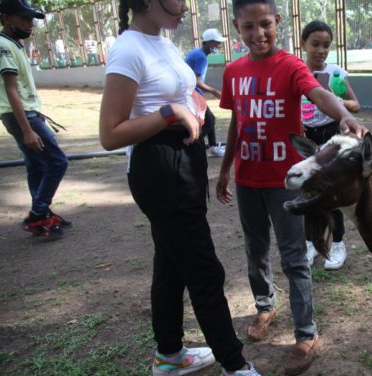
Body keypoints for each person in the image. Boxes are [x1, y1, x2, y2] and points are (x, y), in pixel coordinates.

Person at [98, 0, 260, 374]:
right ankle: (235, 364)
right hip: (160, 170)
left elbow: (178, 92)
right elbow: (110, 134)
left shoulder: (163, 41)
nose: (185, 6)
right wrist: (170, 113)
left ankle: (169, 355)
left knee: (171, 265)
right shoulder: (128, 49)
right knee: (204, 270)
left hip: (183, 165)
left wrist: (193, 105)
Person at [215, 1, 367, 374]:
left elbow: (319, 94)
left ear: (278, 22)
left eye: (265, 24)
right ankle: (265, 306)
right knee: (255, 251)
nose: (258, 34)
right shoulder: (233, 70)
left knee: (294, 257)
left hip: (284, 182)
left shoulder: (292, 66)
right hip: (247, 178)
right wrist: (224, 170)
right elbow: (238, 121)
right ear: (237, 27)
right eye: (248, 27)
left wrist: (345, 115)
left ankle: (306, 334)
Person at [0, 0, 71, 239]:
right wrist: (27, 129)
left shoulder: (13, 45)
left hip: (23, 114)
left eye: (30, 19)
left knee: (37, 165)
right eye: (23, 18)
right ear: (5, 18)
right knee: (57, 162)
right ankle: (37, 214)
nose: (29, 24)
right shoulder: (4, 47)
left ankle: (42, 214)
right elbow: (11, 89)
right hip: (22, 116)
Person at [300, 20, 361, 270]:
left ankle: (337, 245)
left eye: (326, 45)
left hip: (331, 135)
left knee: (333, 191)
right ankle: (310, 243)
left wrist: (339, 102)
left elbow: (356, 105)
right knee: (307, 190)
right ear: (303, 44)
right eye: (315, 44)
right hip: (304, 137)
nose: (321, 50)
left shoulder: (336, 72)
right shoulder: (296, 72)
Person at [185, 28, 226, 157]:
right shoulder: (201, 57)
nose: (219, 46)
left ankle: (212, 146)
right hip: (192, 93)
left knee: (210, 119)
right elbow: (196, 80)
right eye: (216, 43)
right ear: (208, 43)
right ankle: (192, 145)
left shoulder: (197, 53)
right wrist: (214, 91)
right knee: (209, 121)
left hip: (189, 92)